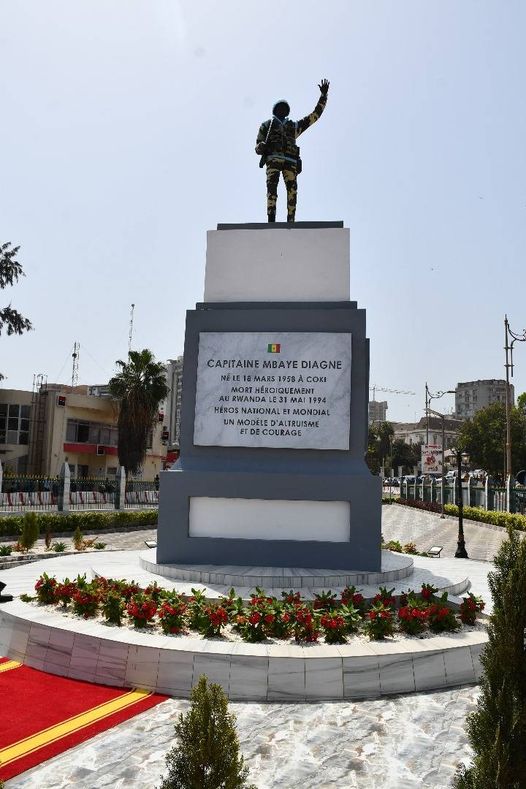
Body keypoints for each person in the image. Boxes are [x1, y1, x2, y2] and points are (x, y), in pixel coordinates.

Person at [255, 79, 330, 223]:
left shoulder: (293, 126)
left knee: (292, 192)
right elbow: (258, 146)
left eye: (285, 108)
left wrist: (323, 96)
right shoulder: (267, 125)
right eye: (280, 108)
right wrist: (262, 147)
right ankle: (271, 219)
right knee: (271, 190)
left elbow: (314, 116)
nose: (283, 110)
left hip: (290, 162)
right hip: (273, 160)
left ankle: (291, 221)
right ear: (275, 110)